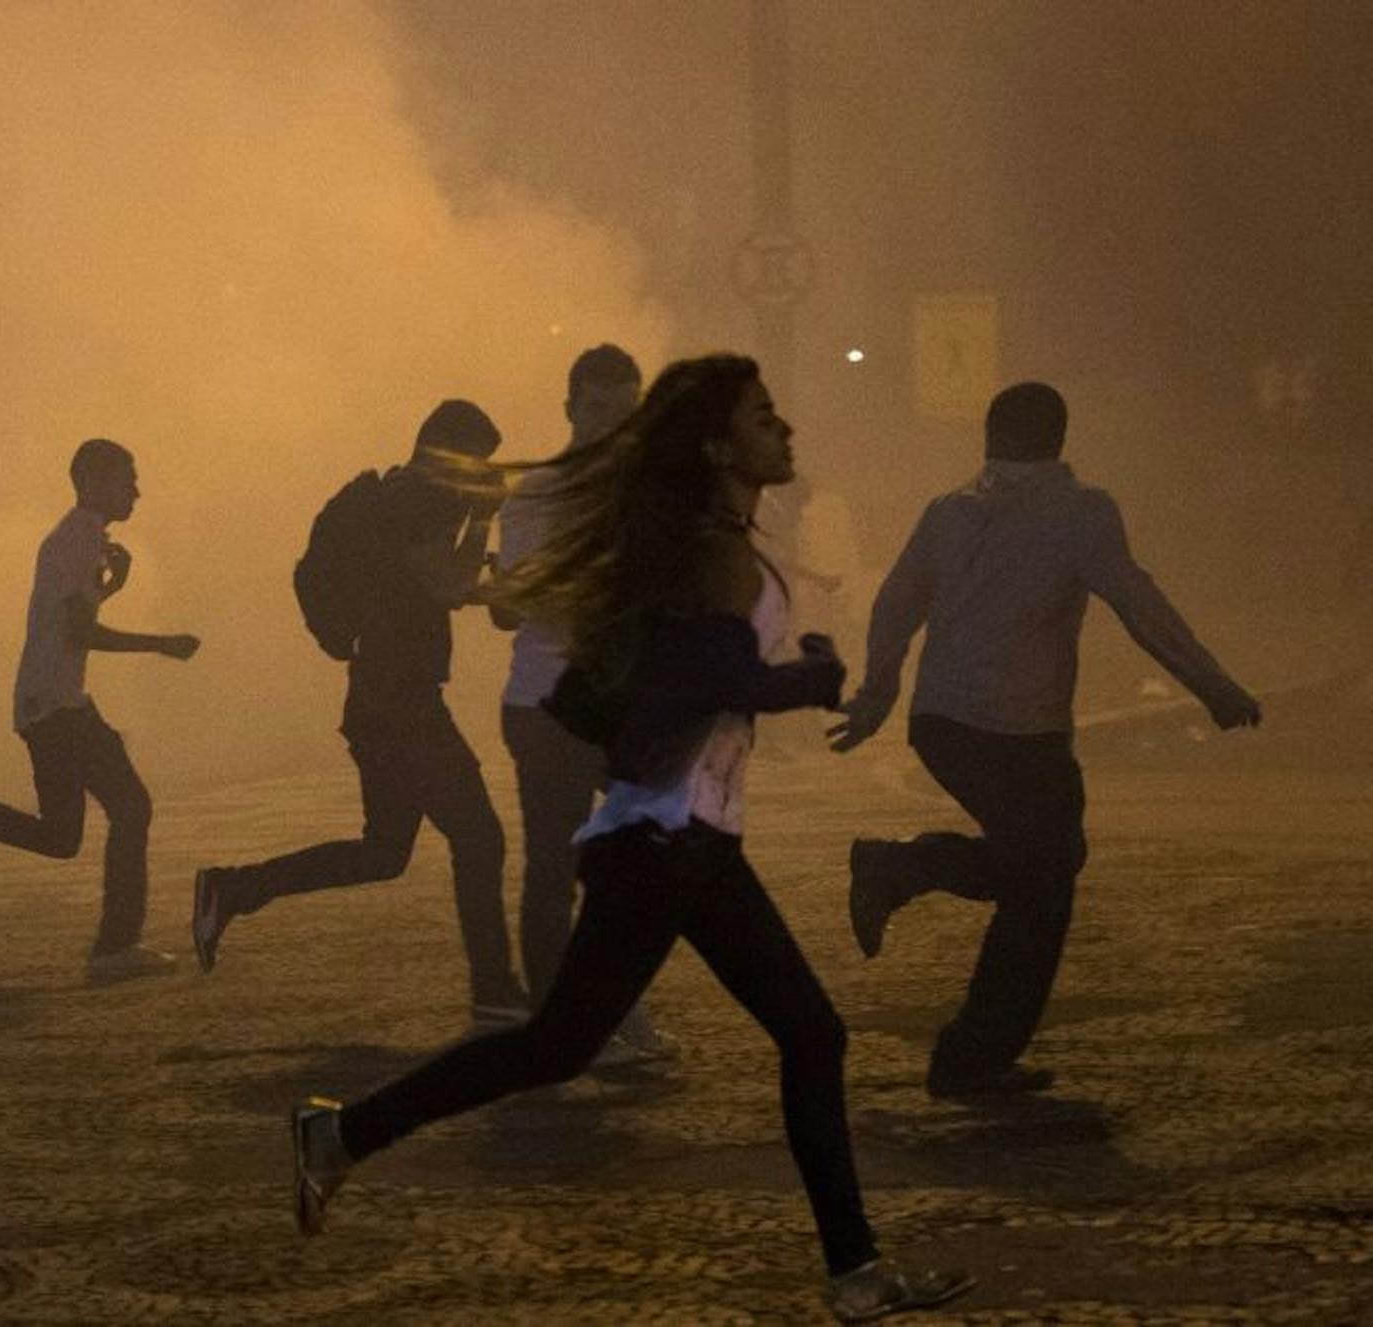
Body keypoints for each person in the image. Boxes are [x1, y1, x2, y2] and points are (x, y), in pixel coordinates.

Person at [284, 356, 973, 1324]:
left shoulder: (715, 538)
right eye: (763, 419)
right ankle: (854, 1273)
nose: (786, 432)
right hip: (666, 836)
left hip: (685, 833)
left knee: (564, 1044)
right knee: (777, 1034)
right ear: (715, 445)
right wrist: (807, 677)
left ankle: (342, 1136)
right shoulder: (704, 549)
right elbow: (697, 676)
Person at [831, 382, 1261, 1099]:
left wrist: (879, 692)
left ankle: (902, 876)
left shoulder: (947, 511)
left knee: (1044, 864)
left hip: (942, 724)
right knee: (1044, 881)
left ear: (989, 439)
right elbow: (1140, 604)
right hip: (1021, 731)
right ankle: (970, 1048)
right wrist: (1211, 684)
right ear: (1061, 440)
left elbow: (897, 600)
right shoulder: (1083, 514)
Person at [191, 400, 525, 1027]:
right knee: (480, 837)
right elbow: (447, 587)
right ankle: (495, 994)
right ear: (446, 453)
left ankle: (233, 888)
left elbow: (436, 588)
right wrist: (484, 518)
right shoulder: (415, 500)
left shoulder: (398, 498)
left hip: (379, 697)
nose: (483, 475)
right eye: (477, 461)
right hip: (400, 703)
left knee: (384, 852)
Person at [0, 439, 199, 983]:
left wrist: (111, 587)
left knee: (61, 837)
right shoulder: (78, 537)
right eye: (128, 480)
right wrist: (161, 643)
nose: (137, 492)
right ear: (94, 482)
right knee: (131, 809)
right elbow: (81, 632)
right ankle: (114, 947)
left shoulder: (81, 538)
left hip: (49, 701)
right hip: (57, 705)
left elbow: (69, 621)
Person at [494, 345, 674, 1065]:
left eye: (626, 411)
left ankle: (604, 1005)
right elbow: (525, 599)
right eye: (600, 409)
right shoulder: (541, 492)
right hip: (550, 704)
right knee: (554, 863)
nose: (613, 425)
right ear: (570, 407)